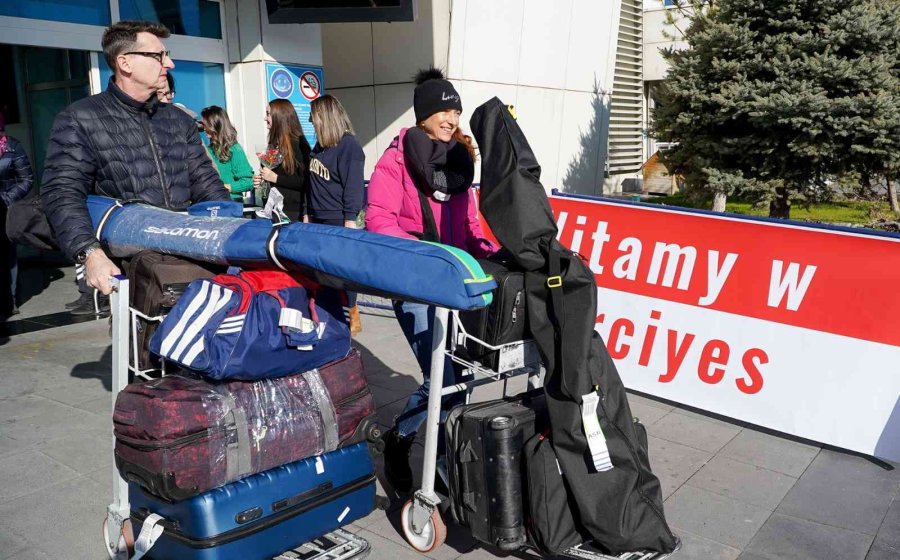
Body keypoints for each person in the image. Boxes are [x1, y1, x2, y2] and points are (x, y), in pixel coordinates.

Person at [366, 67, 497, 492]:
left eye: (455, 109)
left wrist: (495, 255)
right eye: (443, 109)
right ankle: (406, 445)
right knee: (442, 376)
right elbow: (379, 220)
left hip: (453, 283)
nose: (452, 117)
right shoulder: (396, 159)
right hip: (416, 281)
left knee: (455, 375)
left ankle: (434, 454)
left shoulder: (460, 161)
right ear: (423, 114)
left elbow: (471, 227)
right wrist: (426, 255)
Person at [41, 20, 228, 299]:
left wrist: (234, 236)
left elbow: (208, 187)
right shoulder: (81, 118)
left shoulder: (179, 121)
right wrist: (90, 254)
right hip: (130, 270)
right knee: (144, 341)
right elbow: (62, 192)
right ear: (125, 63)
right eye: (159, 55)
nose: (170, 64)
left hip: (192, 260)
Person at [307, 94, 365, 335]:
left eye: (314, 118)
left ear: (325, 117)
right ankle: (328, 315)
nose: (311, 123)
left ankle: (352, 312)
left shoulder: (348, 145)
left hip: (338, 219)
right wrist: (307, 213)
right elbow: (310, 185)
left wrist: (350, 219)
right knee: (322, 271)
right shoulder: (320, 147)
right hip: (317, 218)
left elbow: (353, 185)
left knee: (342, 271)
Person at [252, 99, 311, 222]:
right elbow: (271, 176)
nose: (265, 118)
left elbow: (306, 181)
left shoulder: (298, 145)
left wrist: (276, 178)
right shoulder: (273, 144)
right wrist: (262, 180)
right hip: (272, 209)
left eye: (268, 114)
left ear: (279, 117)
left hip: (292, 212)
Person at [0, 129, 33, 318]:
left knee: (8, 257)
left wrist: (5, 198)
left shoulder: (12, 147)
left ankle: (10, 299)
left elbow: (26, 178)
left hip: (5, 210)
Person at [201, 106, 254, 204]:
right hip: (211, 202)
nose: (203, 129)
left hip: (230, 203)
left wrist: (227, 187)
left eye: (205, 125)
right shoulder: (208, 150)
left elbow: (248, 182)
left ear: (214, 125)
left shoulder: (234, 149)